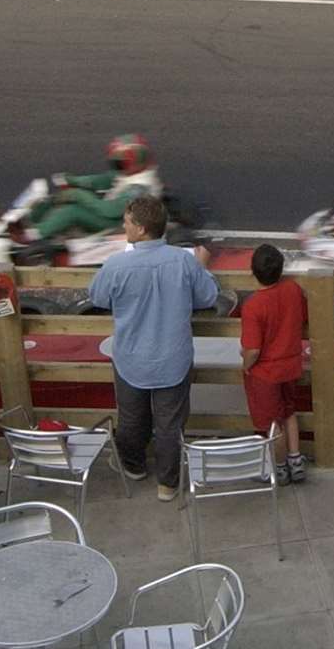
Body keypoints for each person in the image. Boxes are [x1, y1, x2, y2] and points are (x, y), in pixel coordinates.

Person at [89, 194, 219, 501]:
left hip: (131, 358)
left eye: (128, 221)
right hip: (173, 358)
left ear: (142, 229)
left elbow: (97, 297)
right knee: (170, 425)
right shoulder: (184, 262)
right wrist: (202, 268)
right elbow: (208, 297)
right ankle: (167, 484)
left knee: (132, 418)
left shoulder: (117, 264)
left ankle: (133, 466)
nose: (124, 225)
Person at [241, 244, 308, 484]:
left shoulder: (253, 306)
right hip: (291, 365)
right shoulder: (293, 289)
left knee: (272, 423)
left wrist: (246, 365)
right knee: (289, 412)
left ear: (253, 272)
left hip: (265, 372)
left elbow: (253, 349)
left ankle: (279, 468)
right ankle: (295, 459)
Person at [25, 134, 162, 240]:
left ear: (134, 161)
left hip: (117, 224)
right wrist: (73, 180)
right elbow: (104, 179)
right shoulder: (131, 174)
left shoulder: (140, 188)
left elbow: (111, 211)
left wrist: (78, 195)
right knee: (61, 198)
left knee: (72, 211)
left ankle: (32, 236)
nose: (118, 167)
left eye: (120, 163)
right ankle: (34, 222)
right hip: (114, 212)